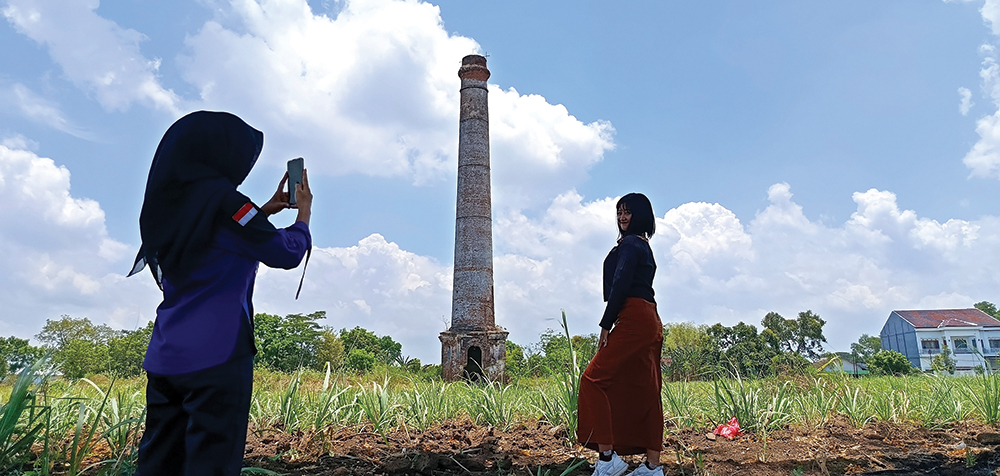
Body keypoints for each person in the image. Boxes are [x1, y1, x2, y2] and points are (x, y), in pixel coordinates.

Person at [127, 111, 313, 475]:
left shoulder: (171, 206)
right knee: (212, 462)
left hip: (166, 356)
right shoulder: (228, 203)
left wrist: (269, 208)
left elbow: (221, 237)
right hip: (217, 354)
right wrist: (302, 217)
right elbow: (284, 252)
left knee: (160, 459)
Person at [577, 192, 664, 476]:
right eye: (619, 212)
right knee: (647, 389)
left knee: (593, 379)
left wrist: (606, 324)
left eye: (628, 212)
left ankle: (608, 459)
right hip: (649, 317)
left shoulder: (630, 245)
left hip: (633, 316)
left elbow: (621, 284)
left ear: (641, 215)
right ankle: (652, 467)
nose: (622, 217)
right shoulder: (643, 245)